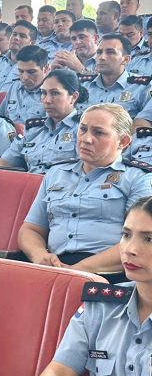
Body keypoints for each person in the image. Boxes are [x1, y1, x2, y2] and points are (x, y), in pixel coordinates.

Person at [5, 197, 152, 376]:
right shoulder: (102, 305)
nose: (131, 249)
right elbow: (61, 372)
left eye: (149, 239)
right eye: (126, 235)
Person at [18, 104, 152, 273]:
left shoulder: (138, 178)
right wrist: (39, 256)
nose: (86, 139)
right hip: (53, 266)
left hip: (105, 273)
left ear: (123, 141)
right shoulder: (55, 173)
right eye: (83, 129)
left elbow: (139, 243)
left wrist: (75, 270)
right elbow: (31, 229)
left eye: (99, 133)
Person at [0, 69, 86, 174]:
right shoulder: (33, 128)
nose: (47, 100)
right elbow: (5, 161)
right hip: (30, 186)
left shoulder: (83, 129)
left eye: (55, 93)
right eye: (44, 93)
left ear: (73, 97)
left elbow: (85, 171)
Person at [1, 45, 50, 123]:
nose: (25, 77)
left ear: (46, 69)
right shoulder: (14, 86)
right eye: (21, 71)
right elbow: (0, 116)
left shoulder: (52, 93)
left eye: (31, 72)